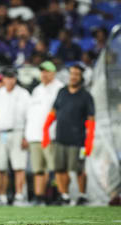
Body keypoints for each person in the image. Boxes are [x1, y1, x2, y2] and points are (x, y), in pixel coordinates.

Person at [42, 64, 95, 205]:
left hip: (78, 140)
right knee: (60, 169)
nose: (73, 76)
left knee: (79, 169)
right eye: (72, 73)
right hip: (60, 138)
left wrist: (89, 141)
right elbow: (53, 112)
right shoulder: (62, 92)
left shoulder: (86, 96)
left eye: (76, 74)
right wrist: (45, 130)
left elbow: (91, 120)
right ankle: (64, 195)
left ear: (81, 77)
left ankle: (82, 195)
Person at [0, 68, 30, 206]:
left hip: (18, 132)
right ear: (4, 79)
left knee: (19, 166)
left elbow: (29, 117)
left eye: (12, 77)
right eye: (7, 77)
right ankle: (2, 197)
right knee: (0, 167)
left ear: (15, 79)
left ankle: (19, 196)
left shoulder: (24, 94)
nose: (9, 80)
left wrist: (26, 136)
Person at [25, 61, 63, 205]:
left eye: (47, 71)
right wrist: (27, 134)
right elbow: (31, 114)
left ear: (53, 73)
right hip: (35, 136)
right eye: (42, 71)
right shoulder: (37, 90)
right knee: (38, 170)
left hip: (51, 136)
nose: (44, 74)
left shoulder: (60, 88)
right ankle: (39, 197)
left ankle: (58, 196)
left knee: (56, 168)